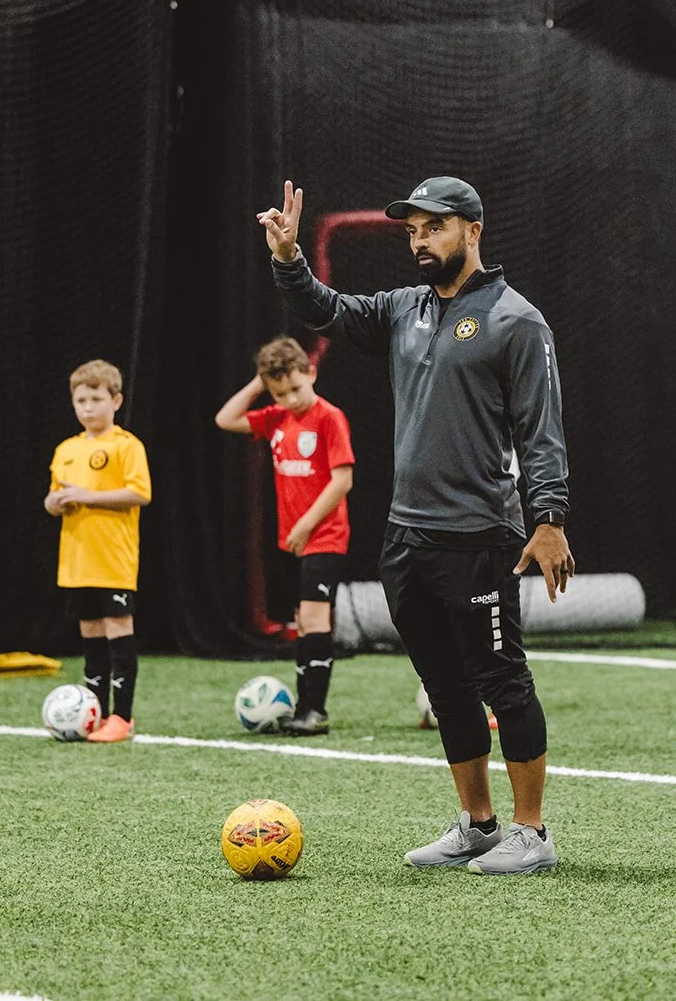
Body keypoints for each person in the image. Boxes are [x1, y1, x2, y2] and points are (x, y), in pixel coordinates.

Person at [257, 177, 573, 875]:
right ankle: (479, 824)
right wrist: (288, 257)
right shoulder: (404, 308)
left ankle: (533, 833)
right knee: (443, 681)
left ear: (472, 229)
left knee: (503, 680)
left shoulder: (517, 320)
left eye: (434, 228)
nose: (420, 241)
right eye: (412, 231)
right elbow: (326, 311)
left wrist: (548, 518)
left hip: (480, 535)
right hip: (406, 537)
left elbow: (541, 431)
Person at [215, 335, 355, 735]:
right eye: (280, 392)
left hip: (324, 535)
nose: (291, 399)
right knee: (300, 621)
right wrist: (261, 384)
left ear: (311, 373)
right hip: (292, 540)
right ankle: (303, 705)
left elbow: (342, 480)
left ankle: (316, 710)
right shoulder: (277, 417)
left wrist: (307, 523)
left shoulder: (329, 417)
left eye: (295, 388)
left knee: (314, 617)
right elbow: (224, 419)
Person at [45, 359, 153, 744]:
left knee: (117, 633)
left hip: (114, 559)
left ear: (116, 400)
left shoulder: (126, 445)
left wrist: (88, 496)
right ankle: (95, 713)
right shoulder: (65, 450)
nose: (87, 407)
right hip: (77, 561)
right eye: (80, 400)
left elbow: (140, 493)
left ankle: (122, 717)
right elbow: (54, 497)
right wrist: (55, 503)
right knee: (91, 638)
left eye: (95, 399)